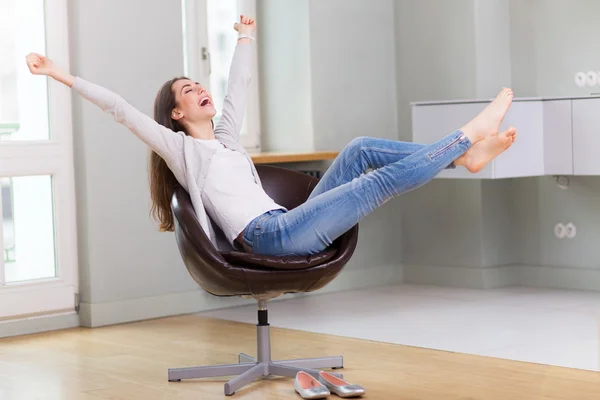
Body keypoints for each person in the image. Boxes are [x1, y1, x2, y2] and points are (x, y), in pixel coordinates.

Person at [26, 15, 517, 258]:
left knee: (361, 150)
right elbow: (120, 108)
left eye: (199, 83)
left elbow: (237, 87)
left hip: (288, 220)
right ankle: (464, 141)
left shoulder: (227, 139)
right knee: (370, 183)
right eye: (187, 90)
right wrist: (59, 75)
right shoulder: (180, 150)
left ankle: (464, 158)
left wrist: (244, 37)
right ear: (175, 114)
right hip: (269, 238)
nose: (200, 89)